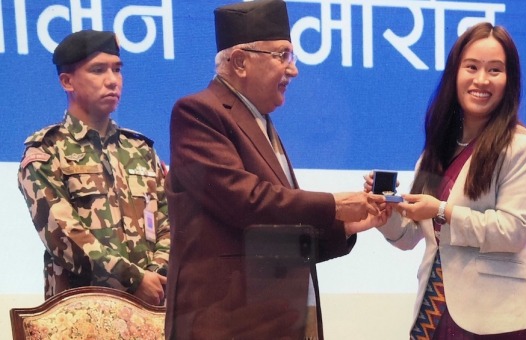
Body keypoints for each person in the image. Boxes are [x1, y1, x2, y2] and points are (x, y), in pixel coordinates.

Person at [164, 0, 387, 339]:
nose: (293, 69)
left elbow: (272, 237)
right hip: (226, 325)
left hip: (275, 322)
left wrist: (348, 225)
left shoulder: (260, 122)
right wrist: (333, 205)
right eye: (282, 55)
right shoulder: (198, 114)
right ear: (240, 62)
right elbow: (245, 202)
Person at [365, 22, 526, 339]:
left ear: (509, 80)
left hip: (498, 323)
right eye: (472, 67)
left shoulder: (523, 148)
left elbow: (513, 231)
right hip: (436, 317)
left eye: (494, 70)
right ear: (455, 73)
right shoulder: (437, 149)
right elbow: (410, 237)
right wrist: (386, 215)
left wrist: (441, 211)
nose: (481, 80)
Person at [17, 30, 170, 306]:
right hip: (82, 314)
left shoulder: (140, 150)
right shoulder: (46, 152)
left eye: (117, 69)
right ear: (67, 81)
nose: (112, 81)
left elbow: (172, 223)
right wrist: (134, 280)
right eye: (98, 70)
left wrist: (156, 275)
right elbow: (64, 237)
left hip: (151, 310)